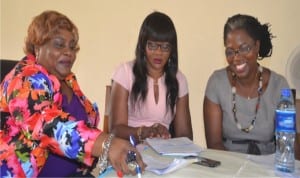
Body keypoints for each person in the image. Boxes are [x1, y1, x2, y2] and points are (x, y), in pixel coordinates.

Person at [0, 10, 146, 177]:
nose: (69, 52)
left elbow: (84, 127)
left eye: (72, 46)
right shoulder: (23, 79)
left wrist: (107, 154)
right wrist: (108, 144)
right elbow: (48, 124)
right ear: (37, 46)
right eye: (59, 44)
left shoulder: (68, 80)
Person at [203, 14, 293, 155]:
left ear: (257, 46)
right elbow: (214, 145)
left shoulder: (278, 85)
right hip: (229, 166)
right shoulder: (217, 83)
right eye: (230, 51)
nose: (236, 58)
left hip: (268, 168)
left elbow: (287, 146)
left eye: (244, 48)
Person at [110, 11, 193, 143]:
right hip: (130, 150)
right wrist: (143, 132)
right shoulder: (125, 73)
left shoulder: (179, 79)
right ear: (143, 46)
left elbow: (185, 135)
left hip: (164, 154)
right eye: (152, 45)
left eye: (165, 47)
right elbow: (116, 130)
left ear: (172, 50)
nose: (159, 53)